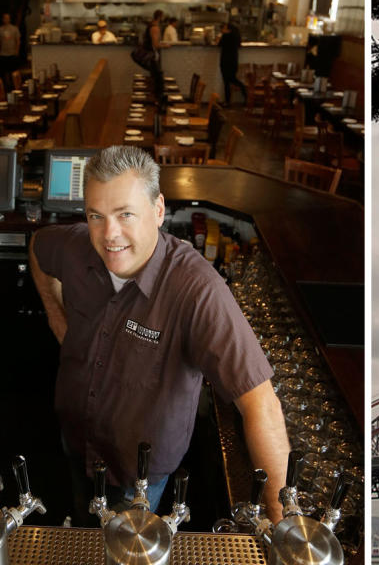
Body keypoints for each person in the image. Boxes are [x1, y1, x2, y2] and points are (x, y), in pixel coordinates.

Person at [29, 145, 289, 520]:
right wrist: (56, 315)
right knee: (81, 522)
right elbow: (38, 247)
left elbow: (260, 403)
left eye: (125, 215)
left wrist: (283, 523)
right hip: (76, 435)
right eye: (96, 216)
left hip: (137, 473)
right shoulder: (76, 246)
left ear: (159, 210)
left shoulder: (197, 290)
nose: (109, 235)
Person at [217, 22, 248, 106]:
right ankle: (244, 94)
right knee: (232, 79)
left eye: (224, 28)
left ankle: (228, 101)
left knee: (227, 82)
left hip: (225, 61)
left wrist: (220, 36)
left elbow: (219, 45)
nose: (223, 29)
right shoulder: (236, 37)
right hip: (233, 61)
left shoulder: (226, 36)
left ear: (228, 29)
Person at [145, 10, 166, 109]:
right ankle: (157, 106)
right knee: (159, 82)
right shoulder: (155, 28)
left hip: (151, 57)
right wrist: (165, 45)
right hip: (153, 57)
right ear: (160, 17)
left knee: (156, 80)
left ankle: (155, 105)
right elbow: (155, 44)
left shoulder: (150, 25)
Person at [0, 12, 22, 82]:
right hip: (3, 53)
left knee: (13, 70)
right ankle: (7, 84)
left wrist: (17, 51)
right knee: (5, 71)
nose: (6, 19)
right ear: (2, 19)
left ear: (10, 19)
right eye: (5, 18)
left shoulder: (14, 28)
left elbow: (18, 41)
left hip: (12, 53)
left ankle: (16, 84)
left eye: (7, 18)